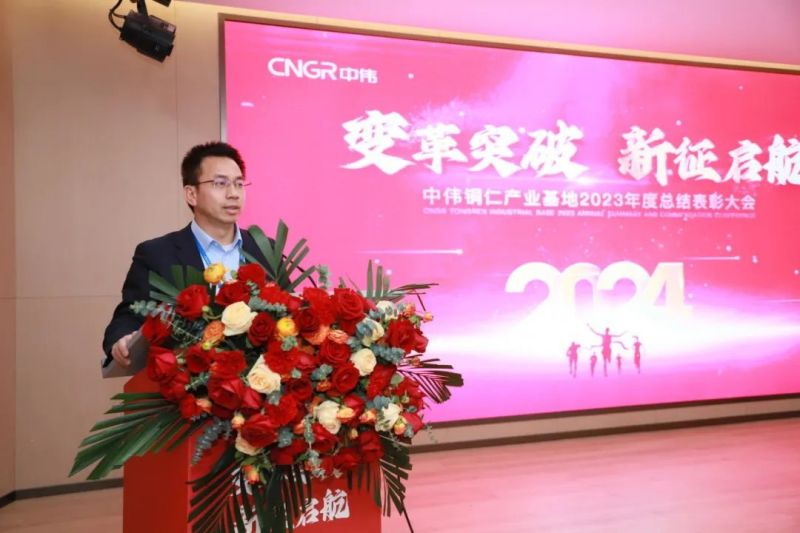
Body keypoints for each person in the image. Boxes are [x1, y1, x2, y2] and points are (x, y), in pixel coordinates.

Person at [102, 141, 270, 368]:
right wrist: (122, 339)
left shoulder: (265, 249)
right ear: (191, 194)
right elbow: (130, 315)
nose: (233, 194)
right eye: (220, 183)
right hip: (189, 380)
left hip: (259, 381)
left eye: (239, 184)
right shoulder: (157, 254)